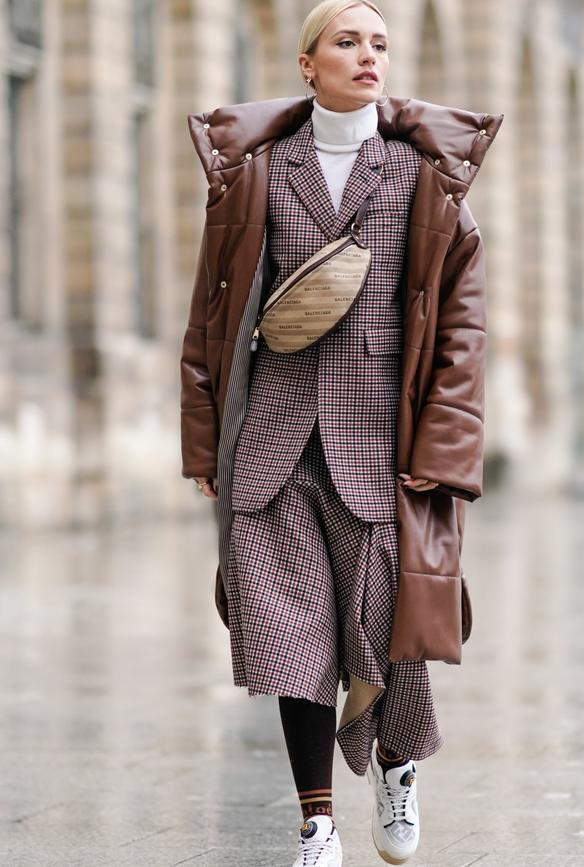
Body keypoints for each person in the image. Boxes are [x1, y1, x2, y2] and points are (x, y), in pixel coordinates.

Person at [181, 2, 503, 864]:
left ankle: (397, 768)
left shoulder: (421, 179)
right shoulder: (256, 177)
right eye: (349, 42)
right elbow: (210, 319)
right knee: (291, 635)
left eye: (381, 44)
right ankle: (316, 822)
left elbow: (465, 326)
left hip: (385, 450)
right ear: (306, 63)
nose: (369, 57)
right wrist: (206, 442)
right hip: (274, 445)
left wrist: (445, 445)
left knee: (386, 632)